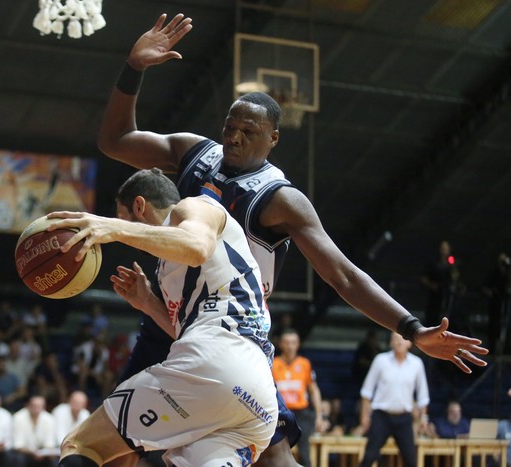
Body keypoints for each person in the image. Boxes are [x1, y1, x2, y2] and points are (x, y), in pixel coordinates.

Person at [95, 12, 488, 467]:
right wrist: (134, 69)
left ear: (274, 139)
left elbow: (342, 276)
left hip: (229, 332)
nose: (235, 138)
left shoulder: (281, 200)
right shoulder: (194, 152)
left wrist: (412, 329)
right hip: (169, 319)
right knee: (115, 448)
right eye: (230, 127)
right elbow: (115, 140)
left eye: (250, 132)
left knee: (275, 458)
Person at [48, 168, 278, 466]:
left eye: (123, 215)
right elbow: (194, 332)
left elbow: (196, 247)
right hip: (256, 395)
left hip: (219, 362)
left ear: (140, 206)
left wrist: (113, 228)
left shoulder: (194, 206)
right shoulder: (167, 267)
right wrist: (148, 303)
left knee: (83, 444)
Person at [358, 332, 430, 467]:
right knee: (369, 456)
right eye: (395, 339)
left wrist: (423, 417)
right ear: (390, 343)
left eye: (403, 339)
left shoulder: (417, 364)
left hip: (404, 418)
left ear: (409, 343)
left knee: (411, 460)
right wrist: (364, 416)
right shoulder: (380, 360)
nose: (399, 342)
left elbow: (422, 395)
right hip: (381, 416)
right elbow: (367, 391)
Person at [271, 329, 326, 467]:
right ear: (281, 344)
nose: (290, 346)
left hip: (301, 414)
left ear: (298, 344)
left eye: (293, 342)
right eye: (287, 342)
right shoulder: (273, 363)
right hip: (279, 414)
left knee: (304, 452)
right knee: (275, 451)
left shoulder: (304, 364)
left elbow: (314, 390)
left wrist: (319, 415)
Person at [12, 395, 58, 467]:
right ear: (28, 406)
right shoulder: (18, 417)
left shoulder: (49, 419)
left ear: (44, 407)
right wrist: (33, 453)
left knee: (54, 460)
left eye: (39, 406)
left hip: (42, 453)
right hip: (25, 453)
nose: (36, 409)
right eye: (34, 406)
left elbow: (49, 443)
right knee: (18, 458)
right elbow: (18, 445)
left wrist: (47, 452)